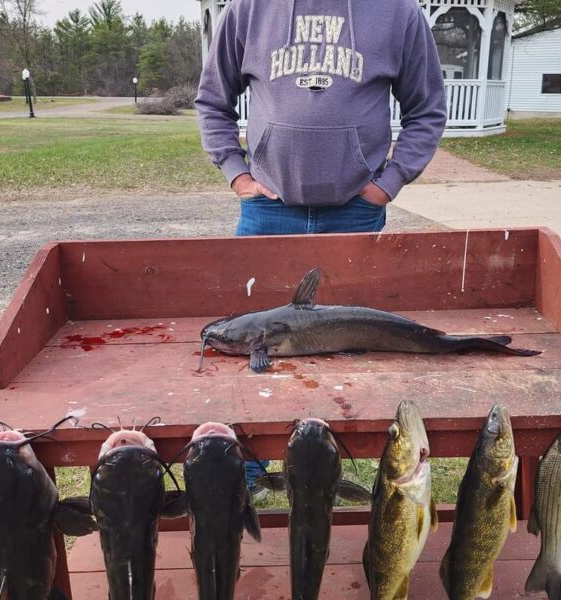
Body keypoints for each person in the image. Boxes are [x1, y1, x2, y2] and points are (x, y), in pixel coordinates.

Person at [196, 0, 447, 493]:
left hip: (355, 210)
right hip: (268, 210)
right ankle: (248, 468)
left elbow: (427, 109)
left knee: (353, 348)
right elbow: (212, 101)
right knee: (249, 344)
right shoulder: (248, 10)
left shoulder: (398, 13)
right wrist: (237, 173)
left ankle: (329, 469)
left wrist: (388, 182)